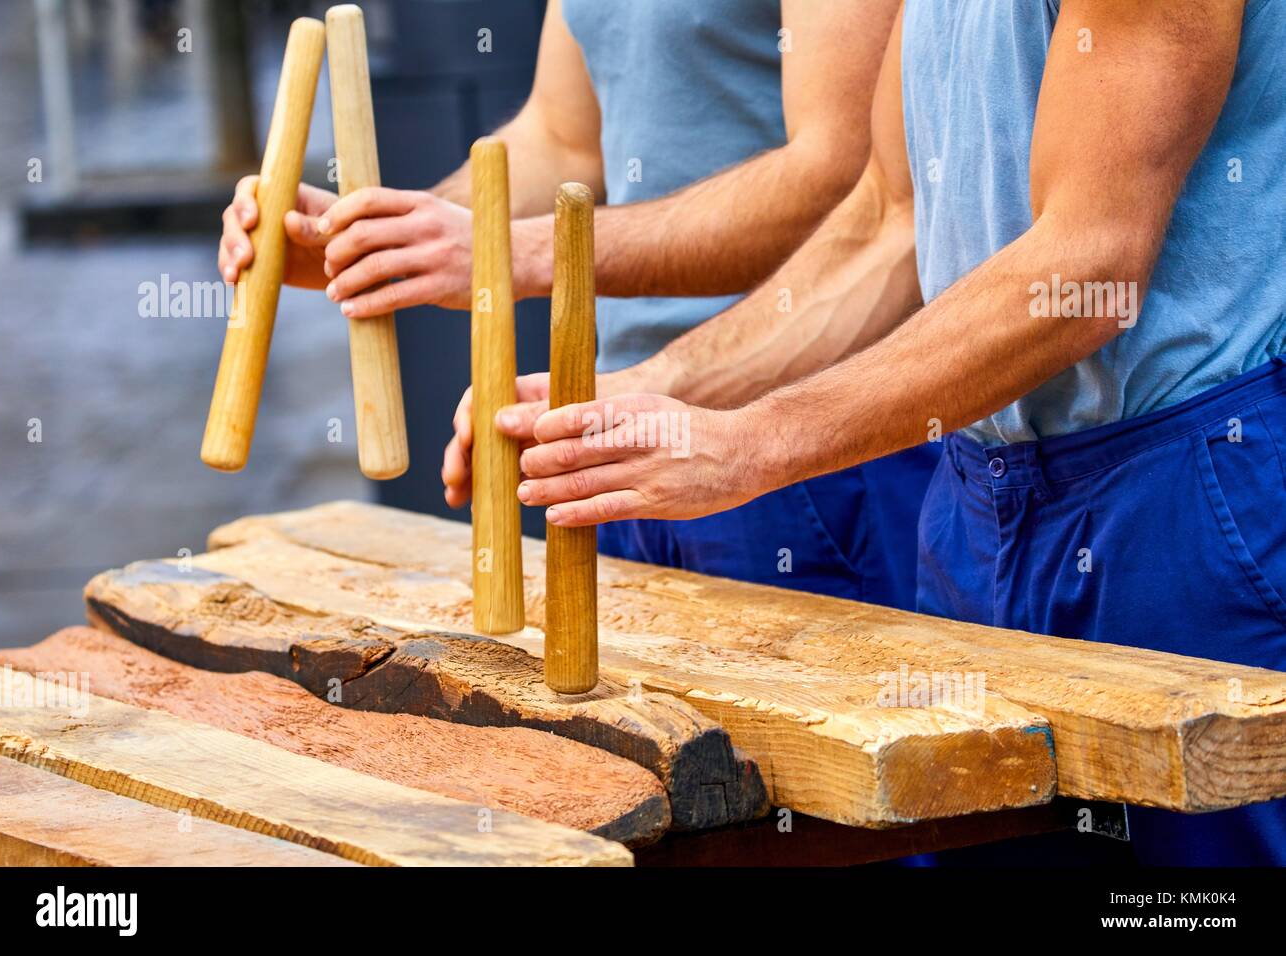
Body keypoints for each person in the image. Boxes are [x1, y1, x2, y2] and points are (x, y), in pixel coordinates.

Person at [512, 0, 1286, 865]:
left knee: (1186, 906)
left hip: (1178, 495)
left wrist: (752, 443)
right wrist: (634, 397)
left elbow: (1089, 259)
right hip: (979, 498)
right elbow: (887, 226)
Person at [219, 0, 937, 610]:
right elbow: (561, 142)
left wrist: (515, 251)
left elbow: (843, 177)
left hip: (800, 447)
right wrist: (381, 236)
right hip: (619, 428)